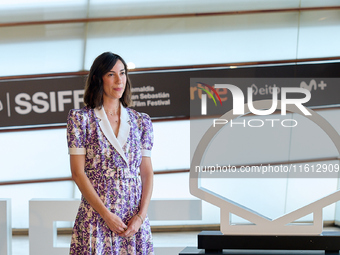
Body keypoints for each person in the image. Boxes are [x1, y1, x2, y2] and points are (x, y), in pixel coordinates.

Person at [67, 52, 154, 254]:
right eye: (111, 74)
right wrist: (106, 215)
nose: (119, 80)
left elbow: (147, 172)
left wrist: (141, 216)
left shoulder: (141, 121)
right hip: (96, 216)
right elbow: (78, 173)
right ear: (98, 78)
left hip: (133, 220)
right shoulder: (81, 119)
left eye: (122, 73)